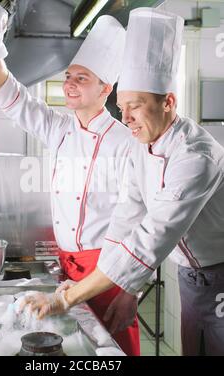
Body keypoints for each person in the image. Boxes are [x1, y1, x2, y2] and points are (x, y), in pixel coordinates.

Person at [21, 8, 224, 356]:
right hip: (192, 280)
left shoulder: (196, 156)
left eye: (136, 106)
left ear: (169, 102)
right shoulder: (144, 146)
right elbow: (124, 224)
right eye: (121, 106)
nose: (125, 118)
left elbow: (150, 239)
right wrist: (125, 290)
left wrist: (65, 298)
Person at [0, 12, 140, 355]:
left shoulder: (126, 143)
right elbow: (13, 97)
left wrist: (130, 291)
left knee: (109, 352)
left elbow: (140, 222)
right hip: (67, 270)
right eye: (68, 76)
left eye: (82, 78)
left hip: (108, 274)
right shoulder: (60, 128)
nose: (70, 84)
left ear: (105, 89)